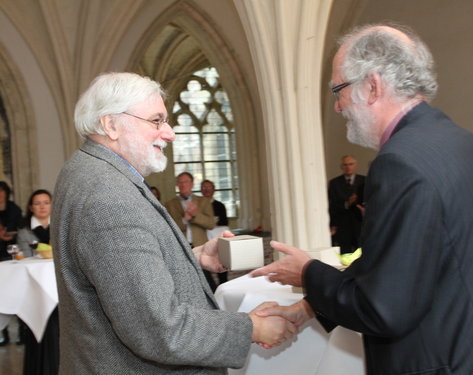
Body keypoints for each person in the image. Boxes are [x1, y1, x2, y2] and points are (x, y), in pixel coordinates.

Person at [251, 23, 473, 374]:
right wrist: (309, 308)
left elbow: (385, 307)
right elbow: (396, 261)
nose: (338, 107)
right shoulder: (463, 142)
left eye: (338, 91)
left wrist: (308, 271)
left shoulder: (398, 162)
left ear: (372, 87)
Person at [51, 72, 296, 374]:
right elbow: (157, 329)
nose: (170, 133)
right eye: (156, 120)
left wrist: (192, 257)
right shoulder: (109, 195)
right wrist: (251, 328)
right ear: (111, 124)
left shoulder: (91, 171)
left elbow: (116, 276)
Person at [17, 189, 59, 374]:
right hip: (35, 288)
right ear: (30, 207)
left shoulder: (59, 226)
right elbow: (25, 258)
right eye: (37, 203)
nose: (42, 206)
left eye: (46, 202)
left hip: (59, 288)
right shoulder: (24, 232)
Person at [166, 172, 217, 290]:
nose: (183, 185)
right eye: (180, 182)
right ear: (177, 185)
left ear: (192, 184)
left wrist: (195, 215)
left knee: (206, 278)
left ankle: (214, 302)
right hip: (180, 246)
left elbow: (210, 224)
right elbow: (168, 228)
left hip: (200, 244)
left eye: (186, 182)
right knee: (185, 278)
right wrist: (184, 219)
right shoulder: (170, 204)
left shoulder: (203, 201)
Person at [0, 181, 23, 346]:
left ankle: (21, 332)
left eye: (2, 191)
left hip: (12, 253)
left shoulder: (14, 209)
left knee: (17, 292)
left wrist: (9, 235)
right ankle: (3, 333)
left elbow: (21, 229)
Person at [328, 155, 365, 253]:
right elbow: (332, 204)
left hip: (360, 223)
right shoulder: (334, 183)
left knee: (362, 251)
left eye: (351, 164)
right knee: (345, 252)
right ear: (341, 167)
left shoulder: (364, 180)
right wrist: (347, 203)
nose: (348, 167)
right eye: (345, 165)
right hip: (343, 224)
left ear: (355, 165)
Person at [201, 179, 229, 284]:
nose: (207, 190)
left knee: (221, 261)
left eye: (209, 187)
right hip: (203, 238)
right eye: (204, 187)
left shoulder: (219, 205)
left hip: (217, 237)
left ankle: (223, 283)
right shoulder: (198, 205)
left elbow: (224, 221)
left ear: (214, 190)